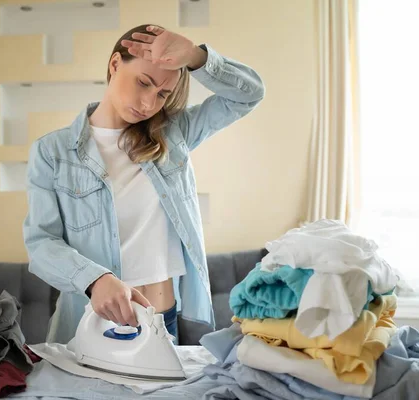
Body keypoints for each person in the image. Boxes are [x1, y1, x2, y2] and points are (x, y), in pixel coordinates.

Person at [23, 24, 265, 345]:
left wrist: (195, 56)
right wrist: (94, 279)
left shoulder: (173, 134)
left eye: (162, 94)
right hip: (93, 322)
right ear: (114, 65)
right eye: (143, 82)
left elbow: (249, 94)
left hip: (164, 321)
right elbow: (41, 244)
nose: (150, 103)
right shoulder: (53, 151)